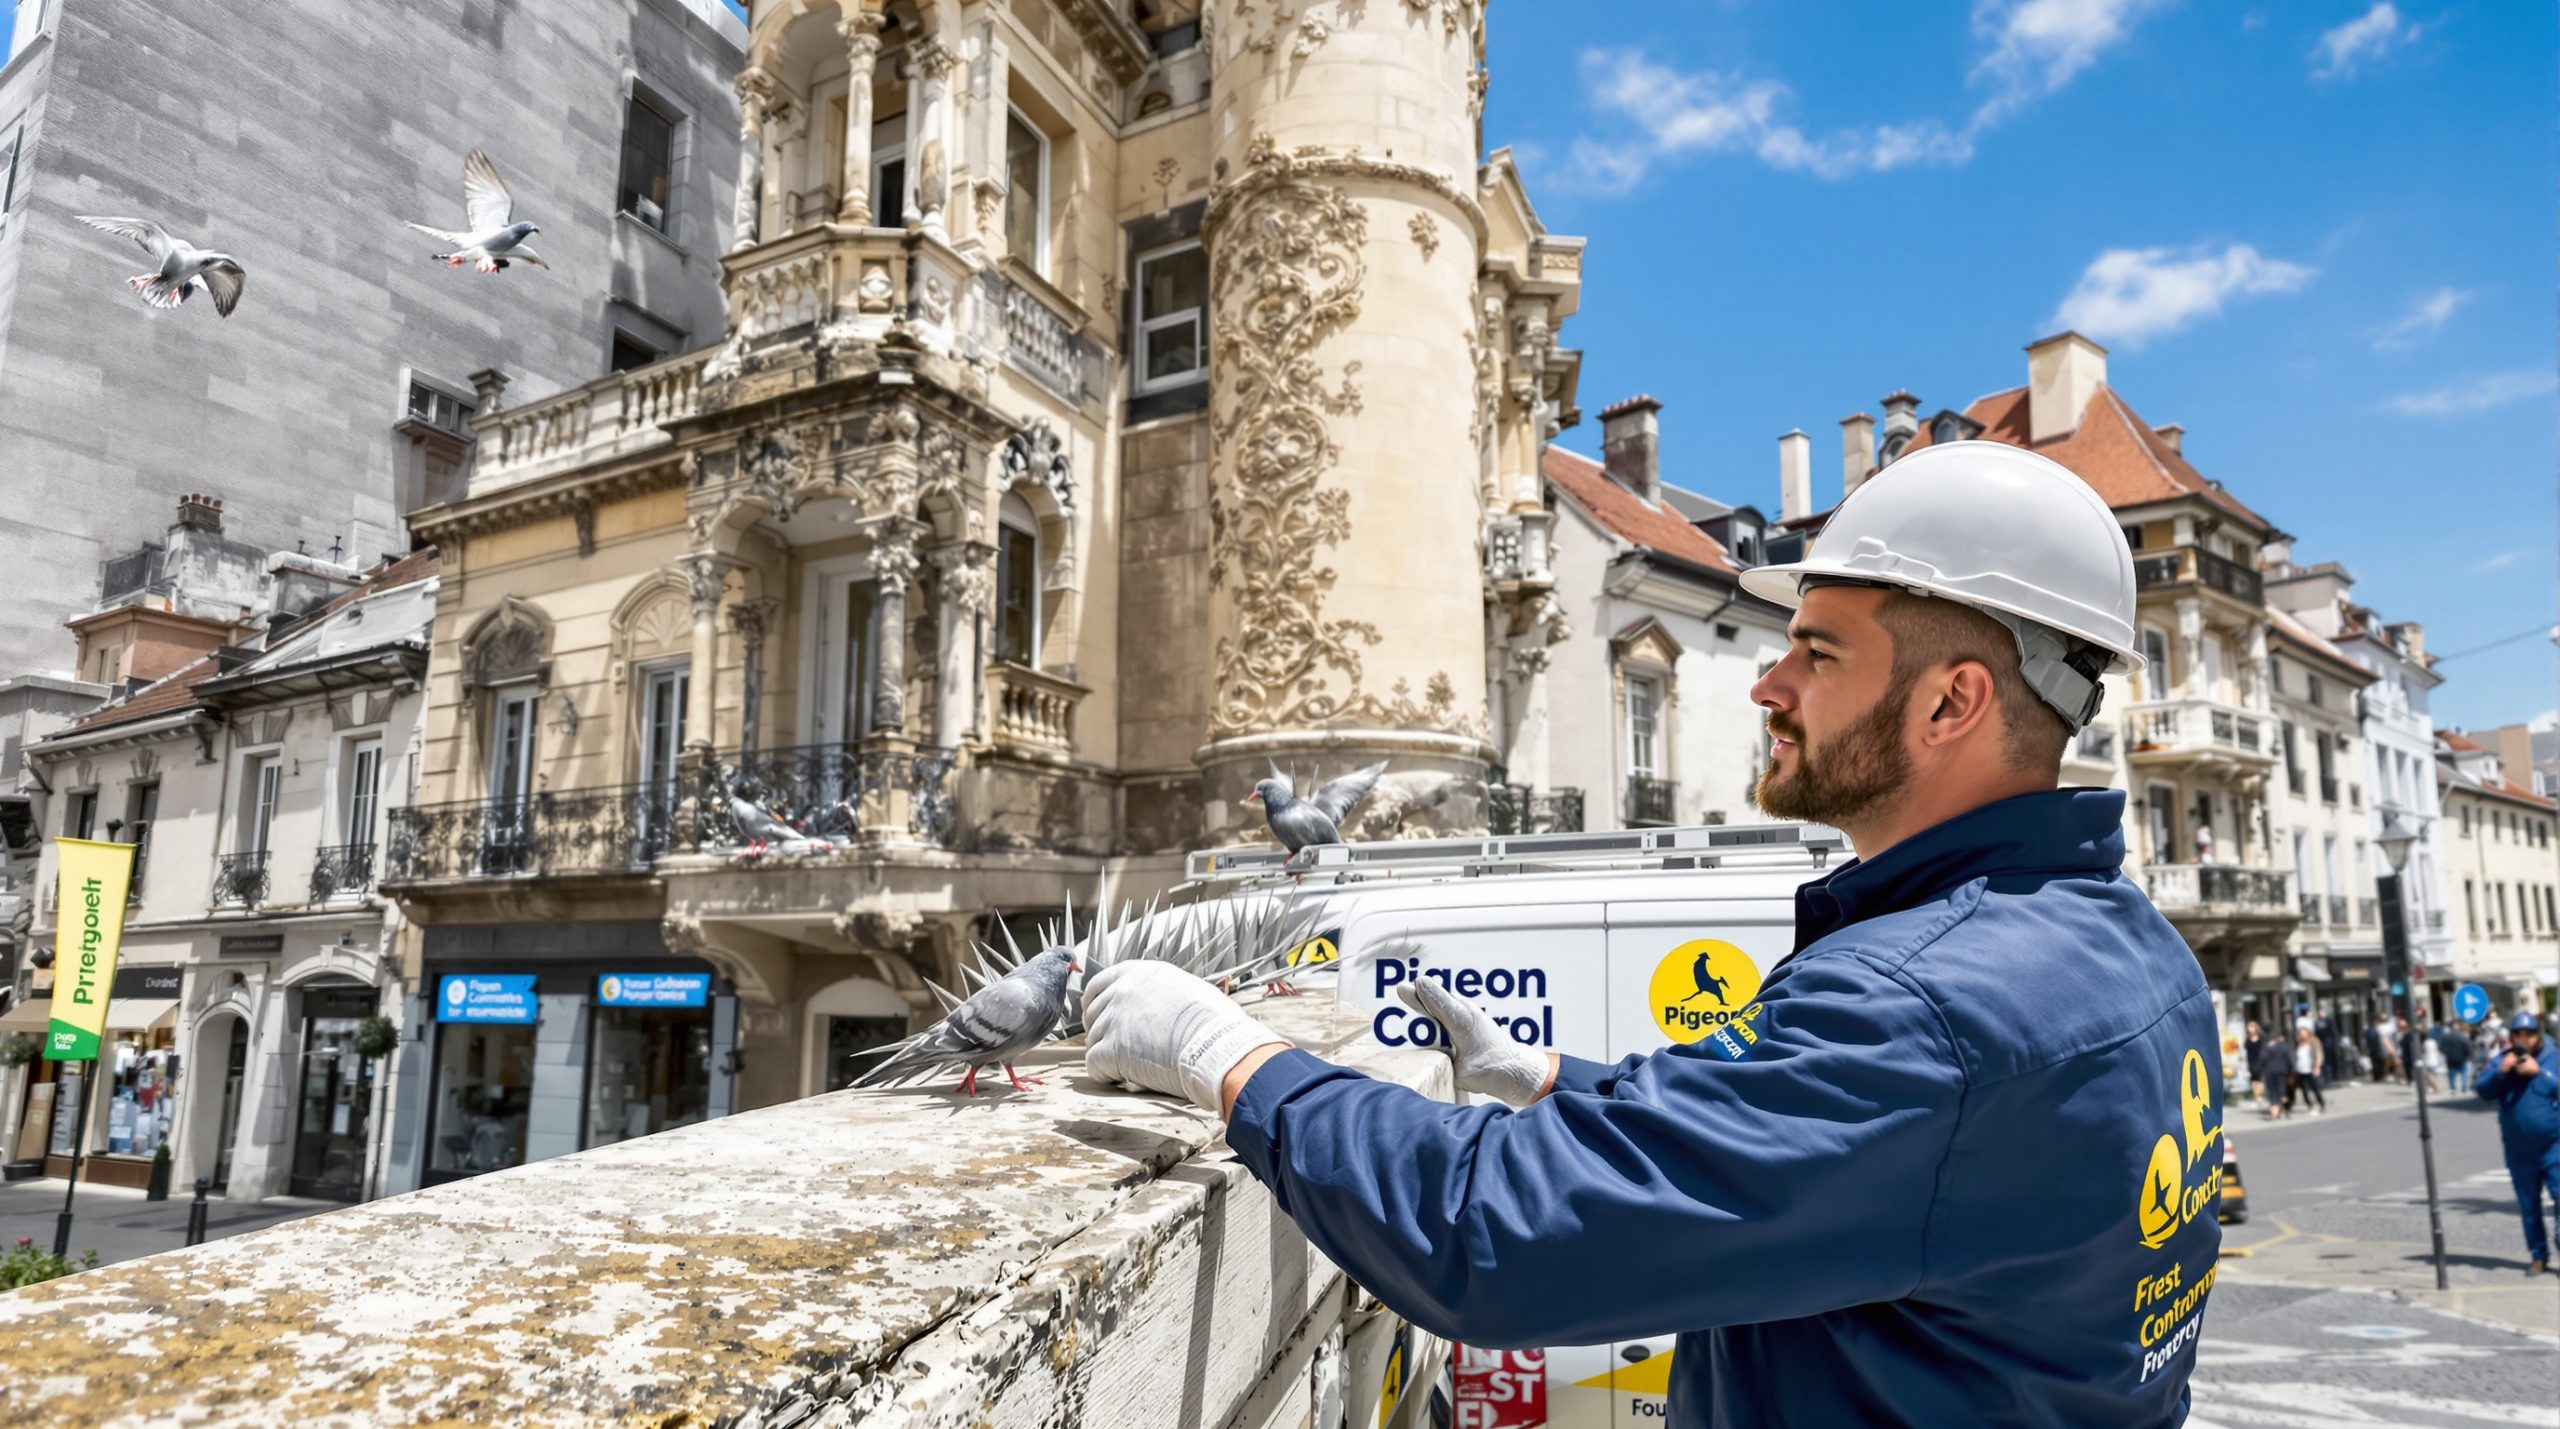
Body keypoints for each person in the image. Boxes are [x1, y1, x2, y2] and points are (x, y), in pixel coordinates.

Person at [1084, 443, 2225, 1426]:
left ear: (1949, 704)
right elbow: (1854, 1158)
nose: (1766, 684)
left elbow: (1490, 1232)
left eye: (1817, 652)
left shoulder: (1922, 1005)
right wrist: (1548, 1081)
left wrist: (1228, 1056)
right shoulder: (2134, 954)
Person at [2475, 1010, 2560, 1274]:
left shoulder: (2554, 1057)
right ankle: (2538, 1256)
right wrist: (2501, 1072)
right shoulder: (2503, 1059)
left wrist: (2539, 1074)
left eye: (2530, 1034)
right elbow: (2482, 1090)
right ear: (2511, 1036)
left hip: (2554, 1145)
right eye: (2518, 1034)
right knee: (2529, 1207)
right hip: (2518, 1151)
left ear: (2539, 1034)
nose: (2524, 1039)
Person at [2289, 1019, 2326, 1115]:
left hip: (2311, 1069)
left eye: (2303, 1031)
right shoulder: (2298, 1043)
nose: (2301, 1033)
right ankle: (2309, 1104)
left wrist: (2317, 1066)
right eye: (2300, 1031)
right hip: (2300, 1069)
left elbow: (2319, 1054)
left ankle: (2321, 1103)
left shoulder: (2314, 1041)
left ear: (2308, 1032)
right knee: (2304, 1089)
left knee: (2315, 1088)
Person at [2255, 1029, 2293, 1120]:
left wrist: (2261, 1072)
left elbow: (2261, 1061)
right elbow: (2290, 1060)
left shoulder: (2265, 1048)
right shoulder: (2283, 1046)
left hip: (2269, 1072)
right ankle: (2284, 1110)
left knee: (2272, 1093)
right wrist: (2291, 1071)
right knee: (2282, 1092)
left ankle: (2274, 1112)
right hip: (2281, 1072)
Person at [2244, 1019, 2267, 1103]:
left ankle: (2259, 1095)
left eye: (2252, 1026)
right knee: (2253, 1080)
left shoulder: (2261, 1038)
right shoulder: (2247, 1040)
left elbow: (2264, 1050)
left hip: (2260, 1061)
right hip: (2251, 1062)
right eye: (2249, 1027)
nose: (2250, 1028)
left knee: (2260, 1080)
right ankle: (2256, 1097)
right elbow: (2246, 1052)